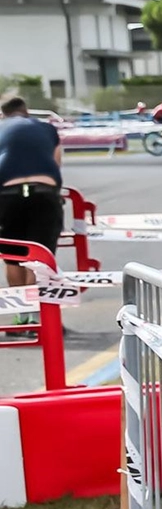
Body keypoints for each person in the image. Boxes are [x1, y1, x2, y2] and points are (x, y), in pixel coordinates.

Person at [0, 96, 63, 335]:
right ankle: (39, 317)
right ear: (26, 111)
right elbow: (56, 164)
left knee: (13, 256)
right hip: (43, 191)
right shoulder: (47, 128)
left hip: (7, 192)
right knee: (39, 255)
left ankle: (21, 317)